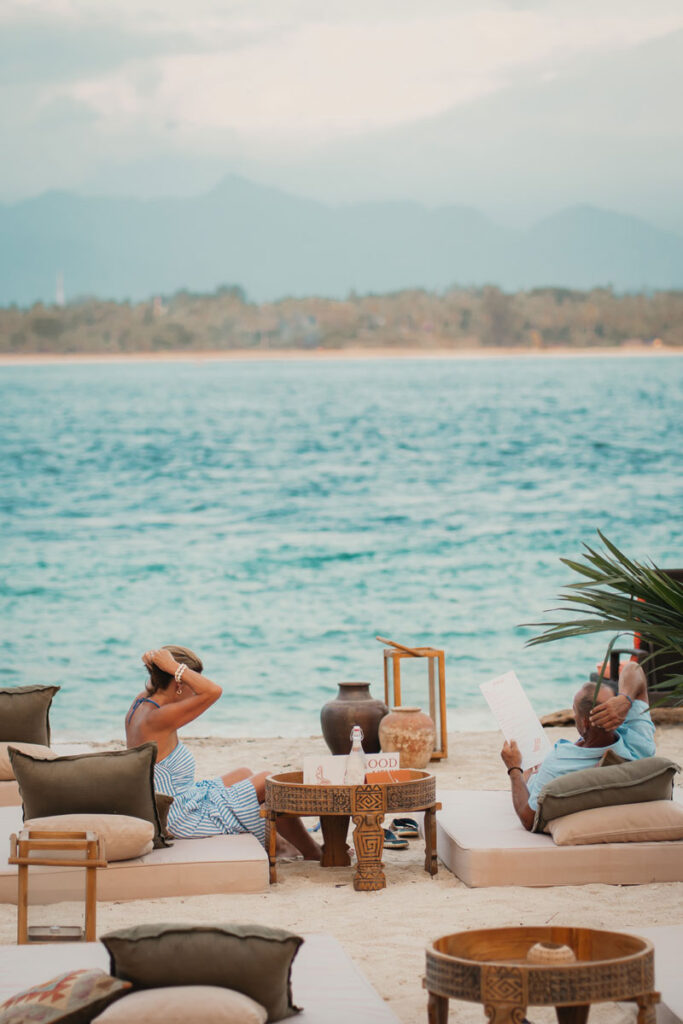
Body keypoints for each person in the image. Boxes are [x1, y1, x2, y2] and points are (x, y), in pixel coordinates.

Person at [125, 644, 320, 860]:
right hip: (179, 816)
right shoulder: (158, 719)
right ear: (179, 683)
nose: (193, 690)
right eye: (191, 682)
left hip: (178, 800)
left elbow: (172, 686)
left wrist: (157, 666)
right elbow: (213, 691)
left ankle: (281, 845)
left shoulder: (141, 704)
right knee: (267, 781)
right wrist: (172, 666)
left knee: (243, 773)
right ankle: (312, 851)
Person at [501, 661, 655, 831]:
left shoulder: (558, 764)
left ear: (583, 722)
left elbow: (529, 819)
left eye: (574, 711)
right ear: (617, 712)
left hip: (534, 786)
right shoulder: (639, 745)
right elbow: (634, 669)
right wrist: (624, 699)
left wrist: (514, 769)